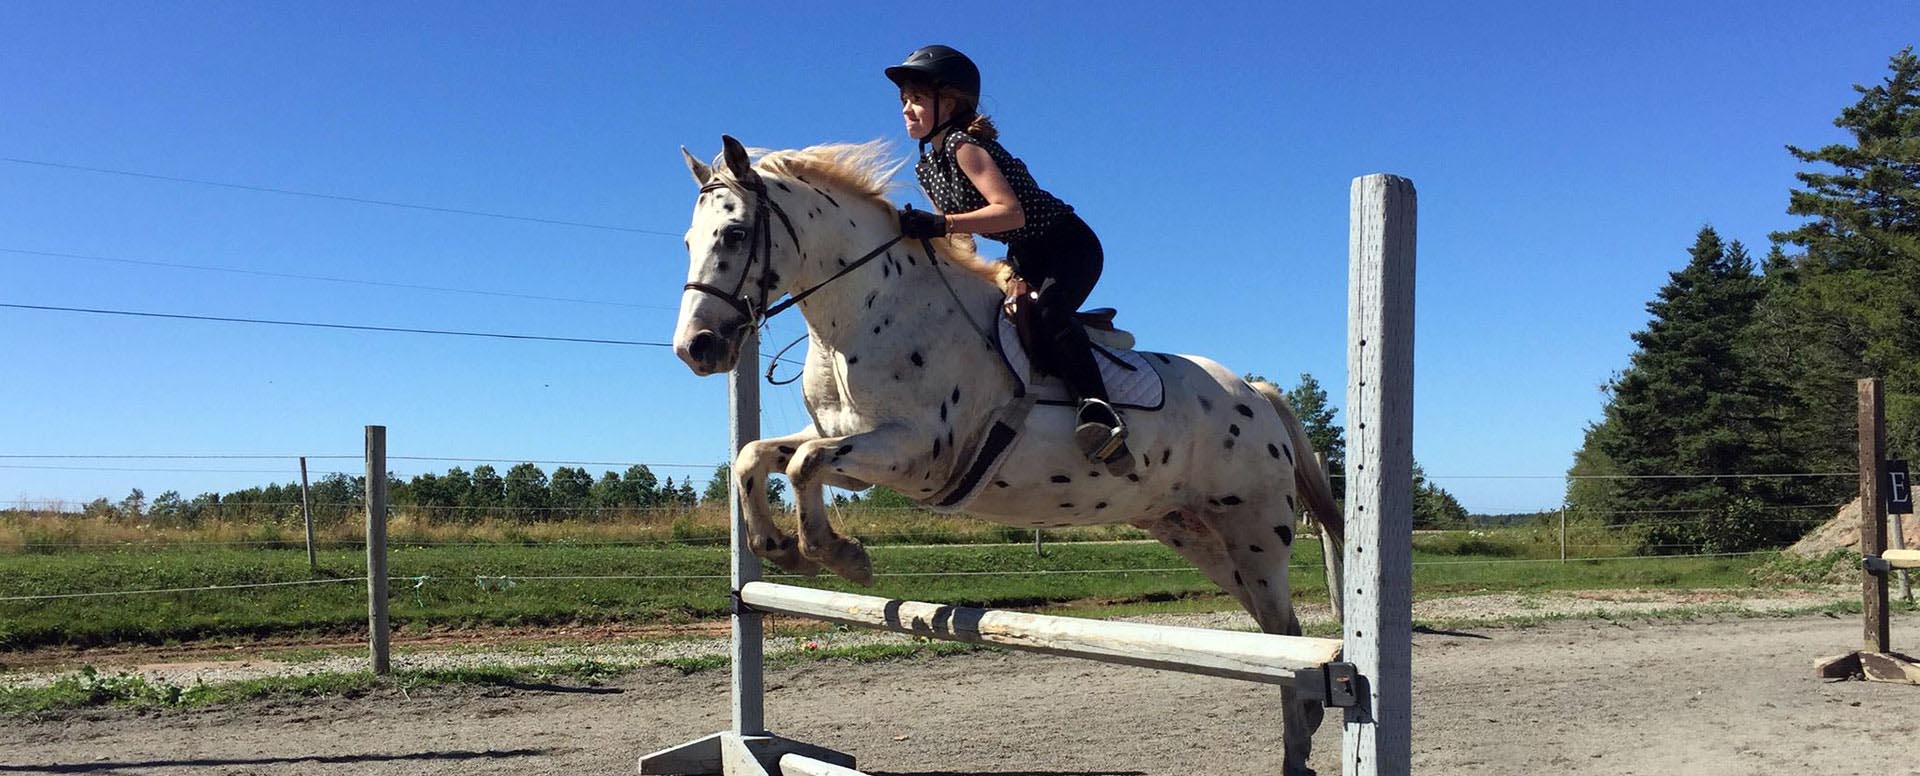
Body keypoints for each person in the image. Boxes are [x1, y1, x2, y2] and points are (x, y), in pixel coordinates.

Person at [886, 45, 1133, 476]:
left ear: (952, 102)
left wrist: (940, 224)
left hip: (1066, 244)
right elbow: (958, 237)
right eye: (904, 99)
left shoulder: (965, 146)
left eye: (918, 99)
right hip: (1025, 253)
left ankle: (1101, 414)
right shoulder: (927, 166)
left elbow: (1009, 212)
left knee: (1049, 311)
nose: (907, 109)